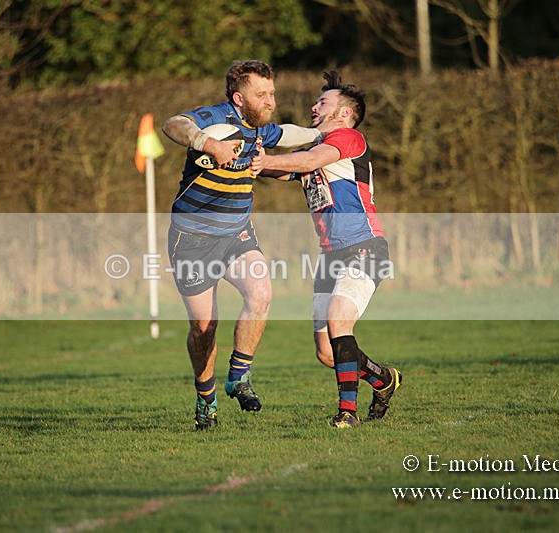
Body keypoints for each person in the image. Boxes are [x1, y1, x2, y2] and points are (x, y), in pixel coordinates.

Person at [162, 60, 321, 430]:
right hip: (192, 239)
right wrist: (209, 144)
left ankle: (239, 376)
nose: (270, 101)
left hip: (236, 233)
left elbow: (290, 134)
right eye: (262, 94)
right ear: (238, 98)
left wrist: (322, 133)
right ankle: (206, 401)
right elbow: (173, 124)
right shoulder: (215, 117)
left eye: (272, 93)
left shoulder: (261, 128)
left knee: (261, 293)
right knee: (204, 328)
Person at [251, 71, 401, 428]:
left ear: (344, 113)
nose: (314, 106)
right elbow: (283, 170)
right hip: (330, 256)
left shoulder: (348, 137)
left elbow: (302, 163)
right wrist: (242, 158)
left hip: (364, 247)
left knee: (338, 320)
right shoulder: (315, 149)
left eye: (323, 102)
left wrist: (265, 161)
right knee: (326, 352)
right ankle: (383, 379)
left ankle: (347, 414)